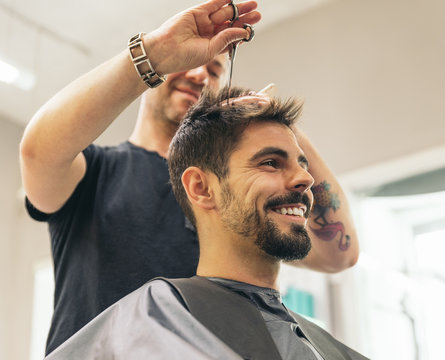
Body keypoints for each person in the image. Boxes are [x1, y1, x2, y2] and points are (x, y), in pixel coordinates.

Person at [19, 0, 358, 355]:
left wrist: (273, 125)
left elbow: (339, 254)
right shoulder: (98, 170)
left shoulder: (238, 191)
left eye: (213, 70)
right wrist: (153, 54)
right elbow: (37, 151)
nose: (199, 76)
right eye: (186, 65)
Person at [44, 87, 369, 360]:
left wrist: (272, 115)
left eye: (302, 164)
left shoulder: (319, 342)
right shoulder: (153, 314)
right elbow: (37, 150)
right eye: (271, 163)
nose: (306, 178)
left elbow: (341, 253)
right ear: (200, 188)